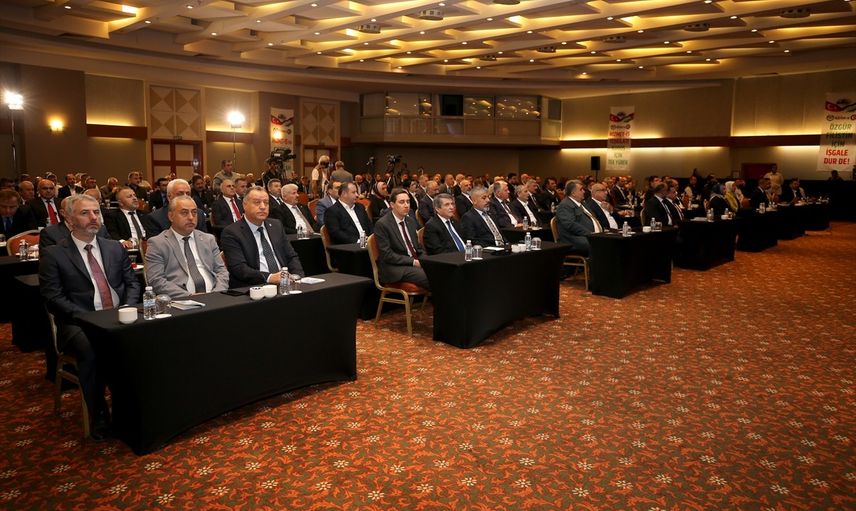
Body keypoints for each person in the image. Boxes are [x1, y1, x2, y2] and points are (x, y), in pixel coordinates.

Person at [39, 194, 141, 440]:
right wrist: (89, 319)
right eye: (85, 213)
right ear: (69, 218)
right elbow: (53, 298)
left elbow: (132, 283)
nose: (94, 217)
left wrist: (127, 308)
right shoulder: (54, 254)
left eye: (96, 212)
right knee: (91, 348)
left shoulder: (114, 247)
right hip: (78, 323)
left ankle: (137, 406)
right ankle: (99, 413)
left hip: (119, 316)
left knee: (151, 336)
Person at [144, 196, 229, 298]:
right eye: (184, 213)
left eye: (194, 212)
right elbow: (156, 280)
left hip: (215, 297)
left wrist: (217, 293)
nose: (191, 217)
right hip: (181, 300)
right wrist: (189, 296)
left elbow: (221, 271)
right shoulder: (158, 243)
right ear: (171, 216)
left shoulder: (208, 239)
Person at [221, 186, 303, 288]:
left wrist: (297, 277)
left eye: (266, 203)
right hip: (255, 287)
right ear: (244, 205)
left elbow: (291, 256)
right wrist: (270, 277)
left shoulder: (276, 225)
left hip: (285, 285)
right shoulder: (232, 232)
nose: (263, 207)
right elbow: (239, 268)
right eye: (257, 202)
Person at [372, 188, 430, 290]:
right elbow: (387, 255)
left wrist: (426, 260)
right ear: (392, 205)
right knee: (431, 276)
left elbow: (418, 248)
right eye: (402, 202)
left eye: (408, 201)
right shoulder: (382, 224)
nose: (406, 205)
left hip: (413, 262)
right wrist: (413, 262)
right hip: (395, 267)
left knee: (440, 269)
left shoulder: (410, 221)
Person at [142, 179, 208, 237]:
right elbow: (156, 245)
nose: (185, 197)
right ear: (169, 197)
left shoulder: (199, 214)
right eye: (180, 194)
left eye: (188, 194)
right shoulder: (155, 218)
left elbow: (204, 241)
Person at [555, 180, 601, 255]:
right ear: (573, 193)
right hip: (575, 239)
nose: (584, 191)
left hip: (592, 235)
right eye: (581, 189)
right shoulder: (565, 205)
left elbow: (593, 218)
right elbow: (570, 224)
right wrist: (590, 234)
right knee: (603, 244)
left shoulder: (582, 203)